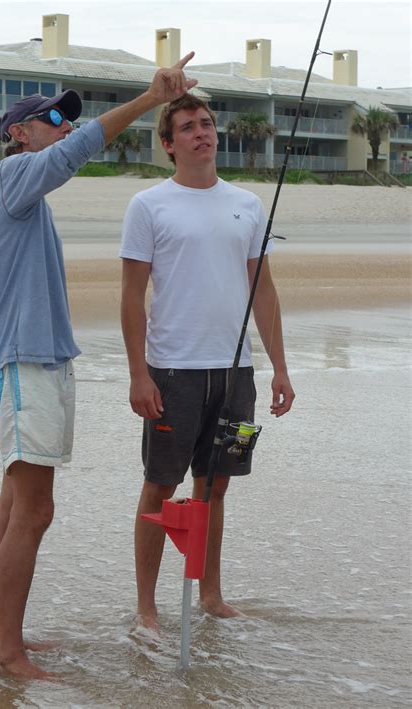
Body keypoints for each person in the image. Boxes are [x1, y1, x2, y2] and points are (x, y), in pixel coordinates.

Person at [0, 54, 197, 680]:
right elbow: (74, 155)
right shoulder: (8, 177)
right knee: (35, 512)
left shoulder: (22, 198)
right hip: (22, 366)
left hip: (30, 364)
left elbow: (69, 152)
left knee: (15, 507)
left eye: (67, 120)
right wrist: (151, 99)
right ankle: (11, 655)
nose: (64, 128)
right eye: (51, 120)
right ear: (18, 132)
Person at [120, 94, 295, 633]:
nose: (202, 132)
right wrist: (138, 374)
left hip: (235, 372)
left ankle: (211, 594)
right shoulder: (149, 205)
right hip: (173, 371)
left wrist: (280, 368)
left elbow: (261, 289)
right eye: (188, 127)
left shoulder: (246, 203)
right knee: (161, 484)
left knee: (215, 483)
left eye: (207, 124)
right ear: (169, 144)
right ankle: (147, 607)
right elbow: (131, 296)